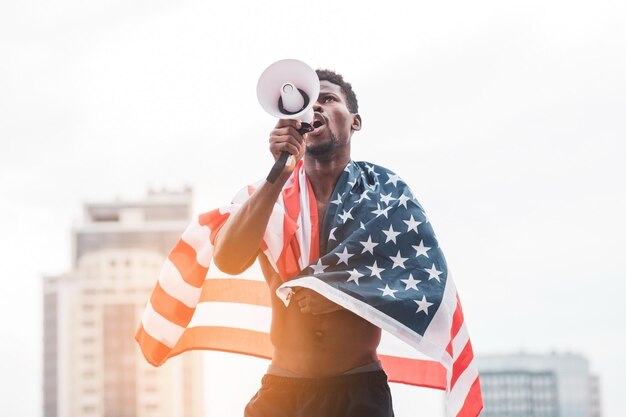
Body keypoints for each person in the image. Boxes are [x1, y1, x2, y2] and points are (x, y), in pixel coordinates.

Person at [212, 70, 395, 417]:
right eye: (308, 103)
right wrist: (279, 174)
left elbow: (413, 282)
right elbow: (229, 260)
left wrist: (342, 293)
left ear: (355, 121)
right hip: (283, 391)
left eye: (328, 99)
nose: (315, 109)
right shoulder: (264, 197)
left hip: (358, 392)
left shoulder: (384, 196)